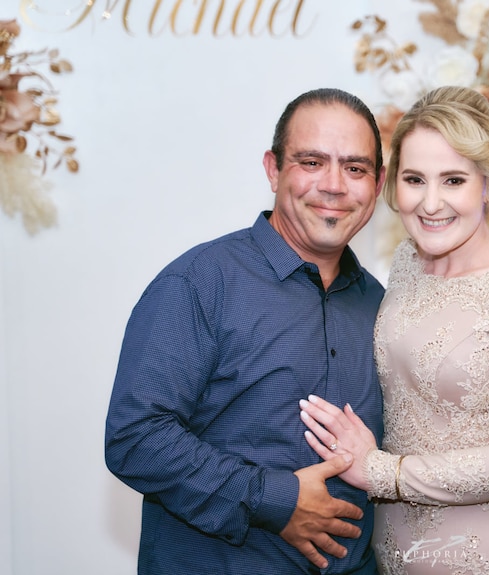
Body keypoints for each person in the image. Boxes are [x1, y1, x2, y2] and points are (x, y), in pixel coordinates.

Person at [299, 85, 489, 574]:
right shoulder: (407, 265)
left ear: (488, 184)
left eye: (453, 180)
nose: (430, 203)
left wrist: (383, 472)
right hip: (395, 552)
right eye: (414, 179)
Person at [104, 88, 386, 575]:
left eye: (355, 168)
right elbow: (135, 438)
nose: (335, 185)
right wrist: (277, 500)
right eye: (312, 162)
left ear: (378, 184)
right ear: (273, 169)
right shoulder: (200, 283)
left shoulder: (381, 305)